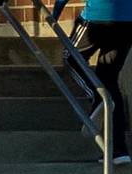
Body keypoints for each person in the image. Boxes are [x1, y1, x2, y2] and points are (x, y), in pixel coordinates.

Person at [54, 0, 132, 165]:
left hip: (97, 16)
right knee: (108, 81)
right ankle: (117, 150)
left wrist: (54, 15)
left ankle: (98, 99)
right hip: (127, 21)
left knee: (71, 58)